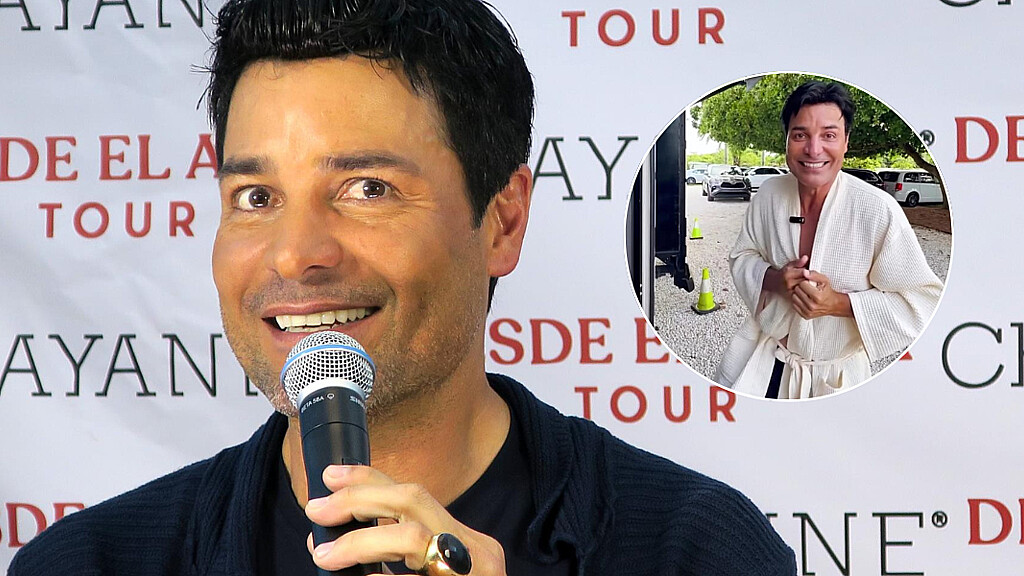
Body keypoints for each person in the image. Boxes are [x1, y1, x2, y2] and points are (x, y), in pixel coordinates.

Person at [9, 1, 795, 574]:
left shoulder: (696, 550)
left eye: (367, 189)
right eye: (256, 196)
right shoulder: (89, 563)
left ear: (503, 221)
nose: (297, 255)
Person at [715, 81, 943, 399]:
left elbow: (924, 302)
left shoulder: (877, 210)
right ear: (786, 141)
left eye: (829, 135)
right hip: (767, 363)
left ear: (846, 142)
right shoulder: (769, 195)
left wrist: (838, 304)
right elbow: (743, 255)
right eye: (800, 135)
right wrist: (775, 280)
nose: (813, 149)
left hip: (836, 377)